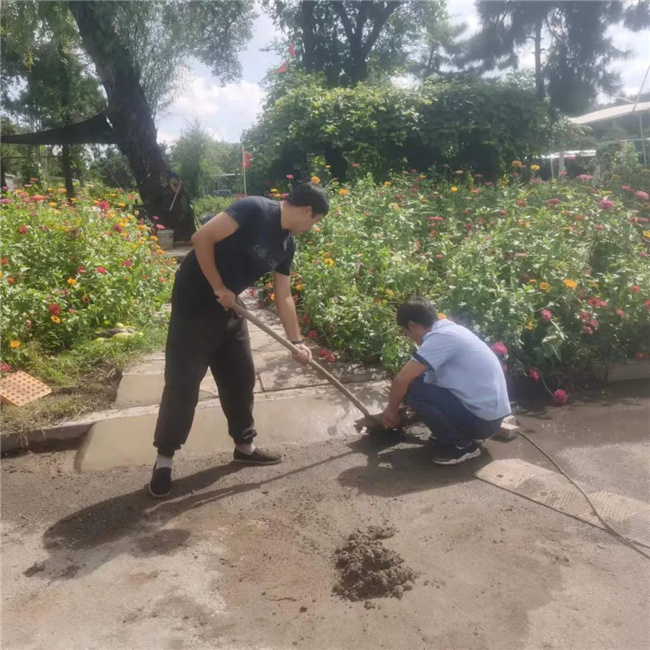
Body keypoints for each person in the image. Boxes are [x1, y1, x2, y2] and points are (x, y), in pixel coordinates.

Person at [149, 183, 330, 497]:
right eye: (315, 221)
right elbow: (201, 237)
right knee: (183, 383)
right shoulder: (255, 209)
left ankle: (244, 447)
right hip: (195, 300)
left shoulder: (287, 245)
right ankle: (164, 460)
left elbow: (284, 296)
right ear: (307, 211)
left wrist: (297, 341)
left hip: (230, 305)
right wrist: (218, 286)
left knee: (240, 377)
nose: (312, 228)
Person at [381, 298, 511, 465]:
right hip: (489, 417)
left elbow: (402, 379)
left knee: (413, 390)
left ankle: (462, 445)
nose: (410, 337)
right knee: (419, 382)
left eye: (407, 332)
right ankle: (455, 433)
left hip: (483, 422)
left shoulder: (440, 338)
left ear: (412, 325)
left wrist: (391, 411)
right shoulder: (448, 329)